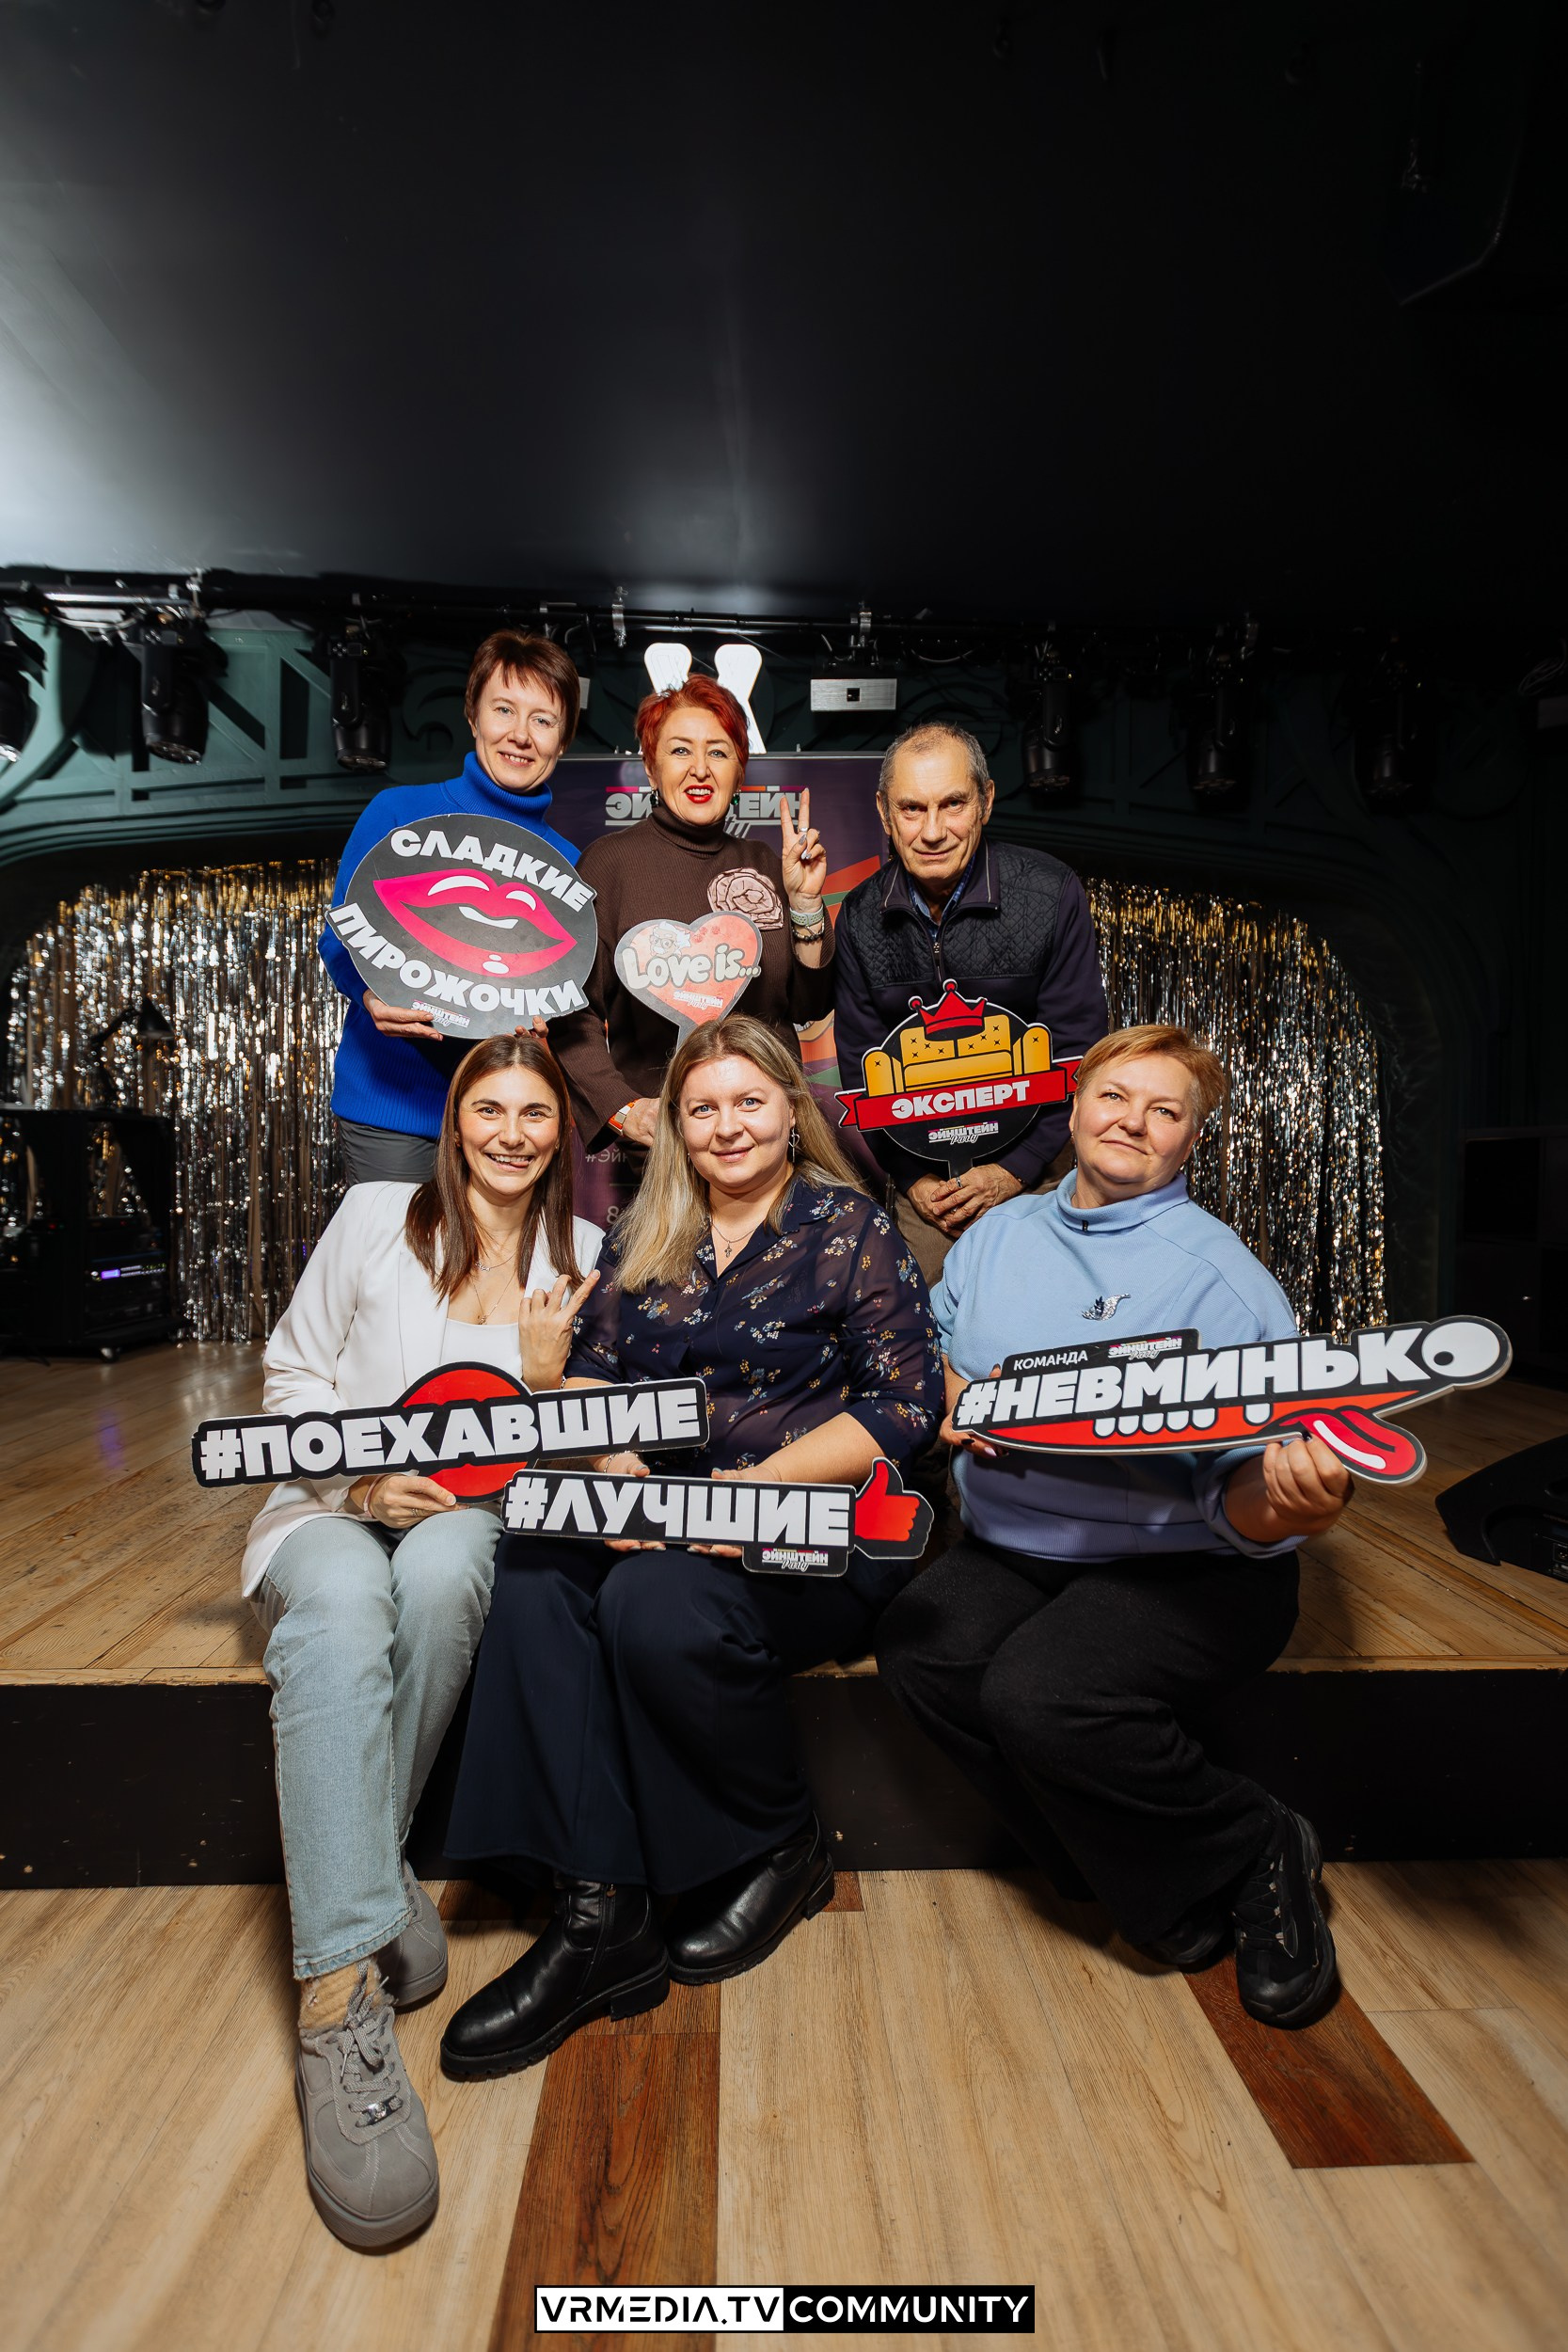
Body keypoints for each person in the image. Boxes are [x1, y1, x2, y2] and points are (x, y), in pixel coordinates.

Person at [437, 1013, 942, 2078]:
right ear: (675, 1124)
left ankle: (781, 1844)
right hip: (663, 1509)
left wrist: (741, 1498)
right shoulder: (644, 1227)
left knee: (649, 1603)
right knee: (532, 1569)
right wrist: (611, 1455)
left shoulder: (849, 1225)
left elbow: (903, 1407)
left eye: (748, 1101)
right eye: (702, 1107)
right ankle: (598, 1910)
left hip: (821, 1523)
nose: (727, 1126)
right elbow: (599, 1377)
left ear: (788, 1108)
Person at [875, 1024, 1351, 2029]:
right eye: (1113, 1097)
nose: (1132, 1122)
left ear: (1189, 1140)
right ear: (1075, 1107)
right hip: (1017, 1545)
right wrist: (954, 1395)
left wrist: (1289, 1502)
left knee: (1039, 1693)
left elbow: (1248, 1489)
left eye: (1163, 1110)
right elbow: (936, 1344)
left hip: (1184, 1564)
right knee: (921, 1649)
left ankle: (1256, 1843)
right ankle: (1127, 1865)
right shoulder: (1000, 1232)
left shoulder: (1221, 1279)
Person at [244, 1033, 603, 2248]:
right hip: (328, 1505)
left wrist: (545, 1383)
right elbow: (293, 1374)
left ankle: (367, 1858)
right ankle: (337, 1995)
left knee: (449, 1570)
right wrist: (359, 1480)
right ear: (455, 1123)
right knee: (345, 1610)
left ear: (561, 1132)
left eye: (534, 1113)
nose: (511, 1133)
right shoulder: (374, 1218)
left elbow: (583, 1459)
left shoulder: (583, 1255)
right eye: (488, 1109)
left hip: (470, 1515)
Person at [832, 721, 1108, 1284]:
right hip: (928, 1183)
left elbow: (1079, 1050)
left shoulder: (1049, 892)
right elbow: (863, 1066)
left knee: (1042, 1315)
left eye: (952, 804)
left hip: (1038, 1166)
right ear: (884, 813)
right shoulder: (859, 915)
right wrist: (913, 1181)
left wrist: (1014, 1172)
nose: (932, 831)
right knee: (928, 1326)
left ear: (985, 801)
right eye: (912, 809)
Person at [320, 630, 584, 1185]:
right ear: (473, 715)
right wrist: (368, 994)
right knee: (397, 1247)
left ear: (562, 741)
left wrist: (547, 1028)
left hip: (506, 1129)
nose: (520, 734)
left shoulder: (570, 866)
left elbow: (564, 993)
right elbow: (340, 939)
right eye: (503, 709)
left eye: (542, 719)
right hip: (394, 1109)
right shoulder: (398, 812)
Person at [551, 675, 834, 1153]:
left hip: (771, 1144)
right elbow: (569, 1010)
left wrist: (805, 905)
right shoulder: (610, 864)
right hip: (664, 1150)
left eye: (718, 752)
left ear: (739, 773)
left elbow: (810, 1007)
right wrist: (621, 1108)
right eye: (680, 750)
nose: (700, 769)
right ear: (650, 768)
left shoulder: (769, 865)